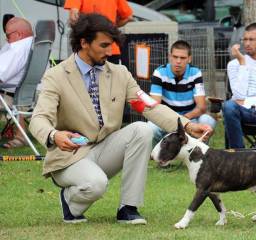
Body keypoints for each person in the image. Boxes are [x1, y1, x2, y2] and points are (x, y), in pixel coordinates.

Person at [29, 13, 212, 224]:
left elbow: (150, 107)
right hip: (68, 156)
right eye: (104, 45)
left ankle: (128, 207)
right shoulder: (56, 75)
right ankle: (69, 200)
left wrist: (187, 125)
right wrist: (54, 135)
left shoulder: (120, 73)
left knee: (143, 130)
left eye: (112, 44)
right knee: (96, 184)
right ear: (84, 43)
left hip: (103, 149)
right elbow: (38, 119)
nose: (111, 51)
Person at [147, 40, 216, 145]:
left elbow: (201, 107)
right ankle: (162, 157)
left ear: (189, 59)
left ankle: (200, 157)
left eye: (182, 58)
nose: (178, 61)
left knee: (207, 121)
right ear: (170, 57)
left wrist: (183, 120)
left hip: (190, 119)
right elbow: (154, 106)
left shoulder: (195, 73)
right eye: (175, 57)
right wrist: (173, 121)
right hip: (166, 118)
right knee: (151, 128)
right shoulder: (159, 73)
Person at [64, 0, 134, 64]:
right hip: (111, 49)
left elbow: (73, 17)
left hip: (88, 49)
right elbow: (128, 17)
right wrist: (110, 27)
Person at [0, 17, 33, 148]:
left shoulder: (17, 48)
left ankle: (21, 137)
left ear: (19, 34)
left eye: (7, 35)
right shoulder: (36, 44)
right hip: (28, 95)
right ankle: (21, 136)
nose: (6, 39)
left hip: (10, 96)